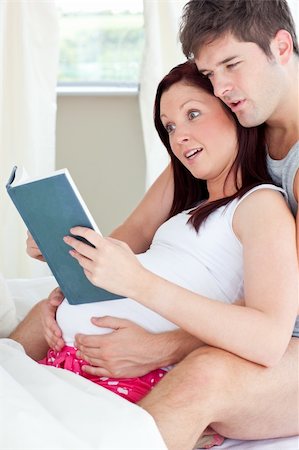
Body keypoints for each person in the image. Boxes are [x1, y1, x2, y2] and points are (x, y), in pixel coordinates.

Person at [10, 0, 299, 448]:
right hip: (248, 325)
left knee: (206, 374)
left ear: (281, 46)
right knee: (33, 308)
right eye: (210, 74)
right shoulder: (240, 120)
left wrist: (165, 344)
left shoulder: (267, 190)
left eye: (231, 65)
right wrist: (74, 272)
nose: (221, 87)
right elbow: (134, 233)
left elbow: (271, 326)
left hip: (283, 344)